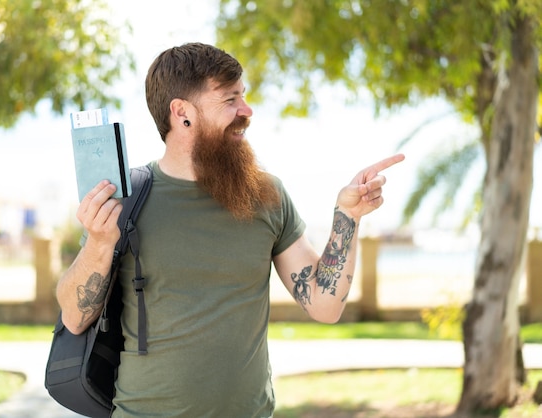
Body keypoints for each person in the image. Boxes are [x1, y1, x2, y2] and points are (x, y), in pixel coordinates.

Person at [56, 42, 405, 418]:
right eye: (229, 99)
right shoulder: (125, 200)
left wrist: (347, 219)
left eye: (244, 96)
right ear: (181, 113)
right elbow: (74, 319)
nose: (247, 111)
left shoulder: (266, 194)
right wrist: (99, 241)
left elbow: (324, 304)